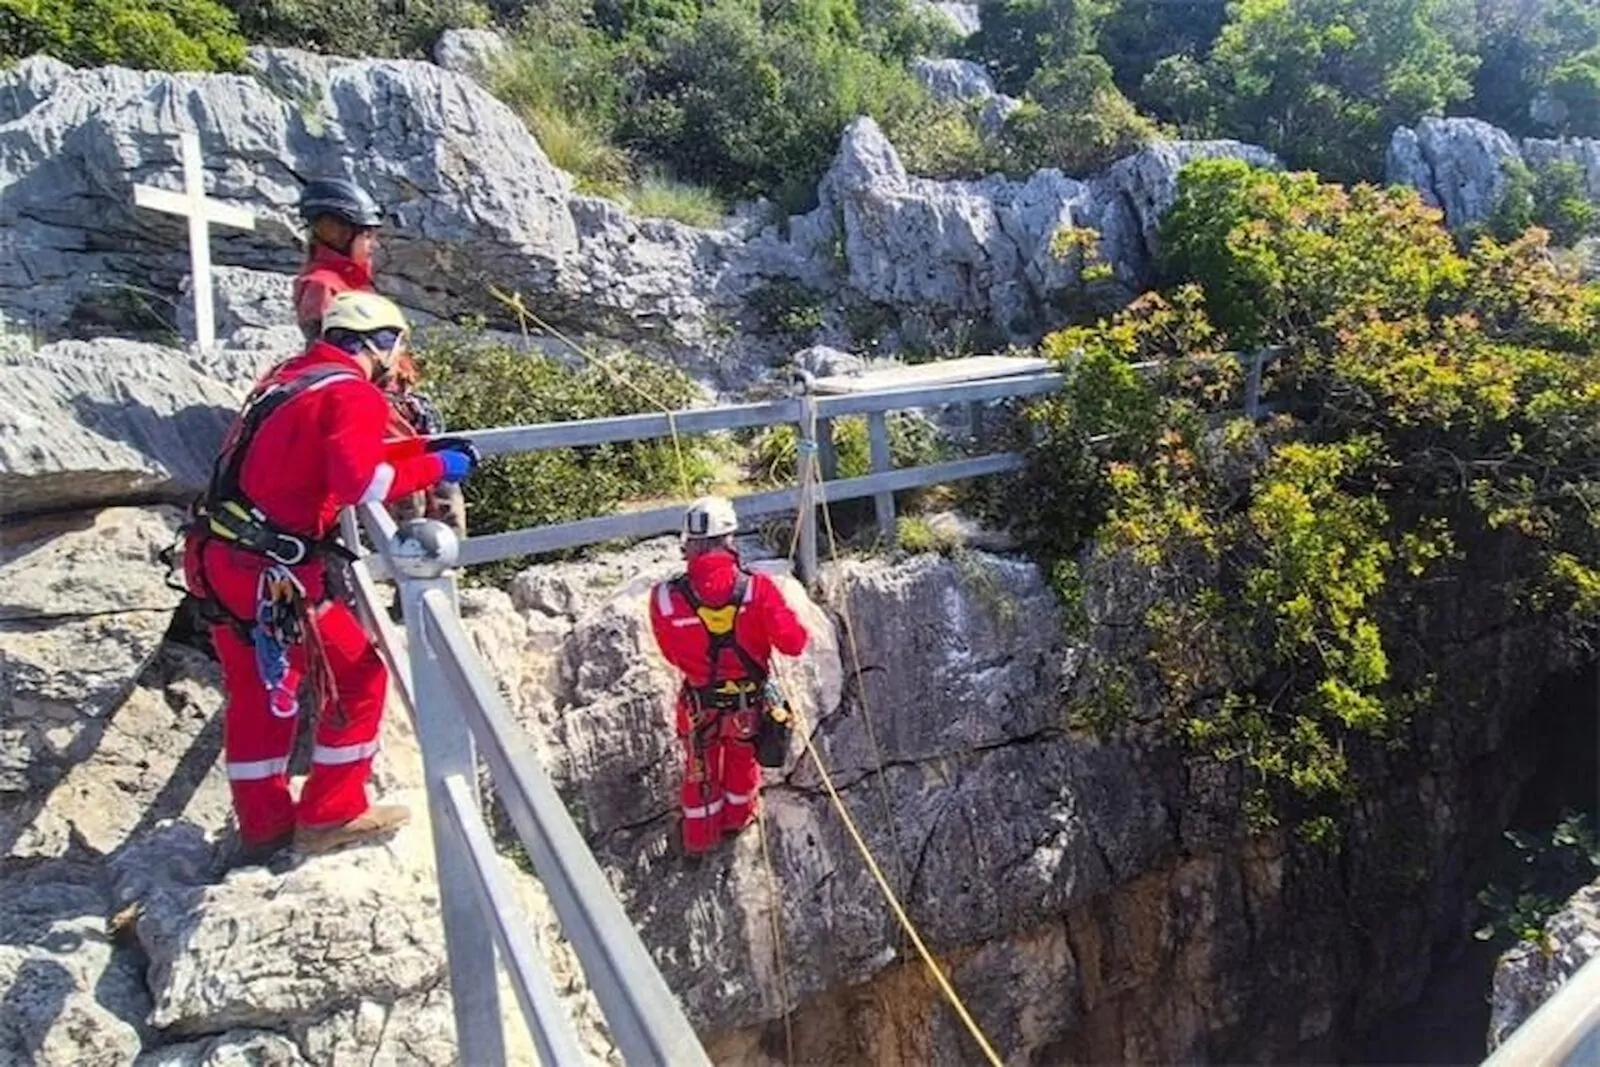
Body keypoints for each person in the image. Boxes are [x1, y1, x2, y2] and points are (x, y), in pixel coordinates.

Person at [183, 291, 480, 861]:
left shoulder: (285, 378)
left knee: (259, 696)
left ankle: (263, 828)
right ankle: (332, 811)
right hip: (273, 571)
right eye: (396, 346)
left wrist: (415, 450)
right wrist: (439, 464)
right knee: (359, 675)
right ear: (382, 343)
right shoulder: (353, 393)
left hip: (218, 557)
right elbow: (359, 483)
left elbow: (317, 455)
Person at [293, 177, 466, 537]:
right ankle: (414, 584)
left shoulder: (351, 282)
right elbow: (338, 357)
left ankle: (446, 574)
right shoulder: (324, 285)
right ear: (337, 231)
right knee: (408, 496)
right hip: (372, 402)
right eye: (366, 235)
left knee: (443, 492)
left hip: (393, 400)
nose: (374, 244)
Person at [648, 496, 809, 854]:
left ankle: (700, 839)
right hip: (746, 709)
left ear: (687, 543)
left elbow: (671, 654)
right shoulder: (758, 589)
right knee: (740, 762)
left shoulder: (663, 598)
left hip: (698, 706)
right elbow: (795, 644)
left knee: (699, 772)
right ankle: (737, 820)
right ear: (730, 539)